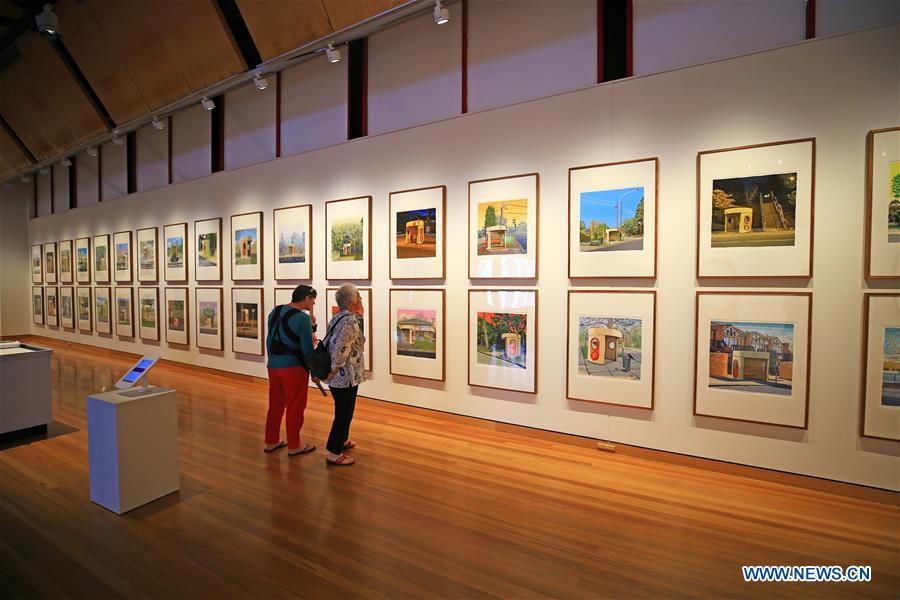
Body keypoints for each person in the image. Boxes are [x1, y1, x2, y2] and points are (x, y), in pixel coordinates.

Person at [264, 284, 318, 456]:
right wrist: (314, 370)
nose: (314, 303)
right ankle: (295, 445)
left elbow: (271, 338)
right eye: (313, 300)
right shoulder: (302, 318)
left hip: (273, 365)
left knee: (275, 404)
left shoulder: (275, 311)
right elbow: (307, 349)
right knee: (295, 405)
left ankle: (271, 441)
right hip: (294, 368)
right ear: (307, 298)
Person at [322, 283, 366, 466]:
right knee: (343, 413)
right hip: (343, 376)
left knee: (346, 411)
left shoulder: (338, 317)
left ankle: (343, 440)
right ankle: (334, 452)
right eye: (358, 296)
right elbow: (341, 348)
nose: (361, 299)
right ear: (351, 302)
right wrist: (332, 371)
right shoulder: (349, 320)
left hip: (345, 376)